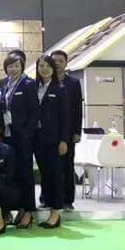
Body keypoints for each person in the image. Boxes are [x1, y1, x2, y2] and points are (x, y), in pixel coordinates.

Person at [0, 53, 39, 229]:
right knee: (13, 174)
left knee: (26, 174)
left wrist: (27, 133)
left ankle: (29, 211)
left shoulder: (29, 84)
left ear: (22, 66)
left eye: (16, 65)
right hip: (8, 136)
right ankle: (20, 208)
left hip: (23, 137)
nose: (13, 69)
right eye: (10, 66)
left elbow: (34, 111)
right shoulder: (3, 83)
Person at [33, 55, 70, 229]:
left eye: (48, 66)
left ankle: (56, 213)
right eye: (41, 66)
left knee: (56, 175)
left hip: (55, 140)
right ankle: (49, 208)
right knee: (46, 175)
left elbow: (65, 118)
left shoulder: (60, 89)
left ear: (53, 69)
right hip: (38, 139)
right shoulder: (34, 87)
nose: (44, 69)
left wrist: (64, 140)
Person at [51, 50, 83, 211]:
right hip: (50, 132)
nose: (57, 63)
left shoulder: (74, 83)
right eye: (54, 61)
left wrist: (77, 131)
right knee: (50, 167)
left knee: (67, 166)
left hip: (69, 132)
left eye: (60, 61)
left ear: (66, 63)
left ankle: (68, 200)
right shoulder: (46, 81)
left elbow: (78, 109)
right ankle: (47, 198)